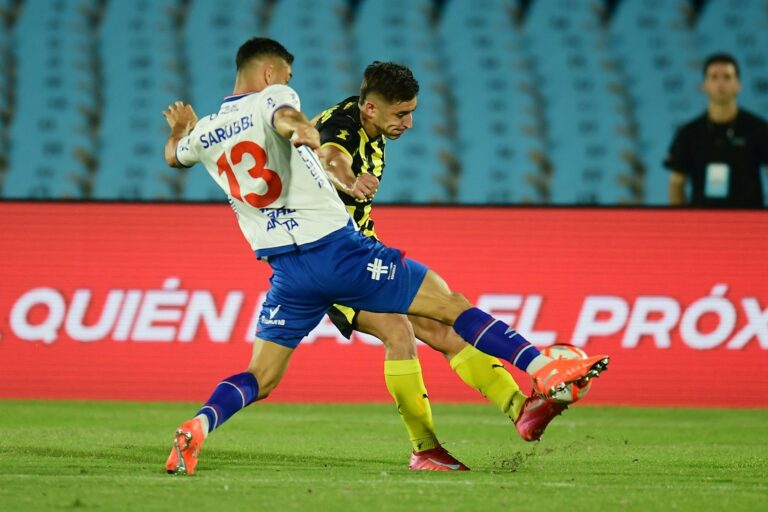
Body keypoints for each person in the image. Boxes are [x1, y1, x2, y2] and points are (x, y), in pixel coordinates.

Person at [161, 37, 609, 476]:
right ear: (270, 73)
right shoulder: (283, 101)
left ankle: (198, 424)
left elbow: (173, 157)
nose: (409, 123)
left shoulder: (205, 133)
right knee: (438, 312)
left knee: (267, 375)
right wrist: (322, 154)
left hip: (287, 268)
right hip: (340, 255)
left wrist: (183, 129)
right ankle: (539, 369)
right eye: (402, 114)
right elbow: (323, 145)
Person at [311, 61, 573, 471]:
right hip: (326, 259)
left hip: (360, 249)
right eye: (401, 114)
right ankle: (428, 446)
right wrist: (347, 179)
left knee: (442, 324)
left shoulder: (369, 123)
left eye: (412, 111)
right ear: (370, 109)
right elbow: (329, 156)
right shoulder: (342, 128)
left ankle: (520, 408)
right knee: (406, 326)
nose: (410, 122)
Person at [665, 53, 768, 207]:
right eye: (714, 77)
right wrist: (682, 224)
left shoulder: (758, 129)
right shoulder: (688, 133)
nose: (720, 84)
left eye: (727, 77)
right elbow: (676, 183)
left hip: (747, 222)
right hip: (702, 222)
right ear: (703, 85)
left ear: (738, 84)